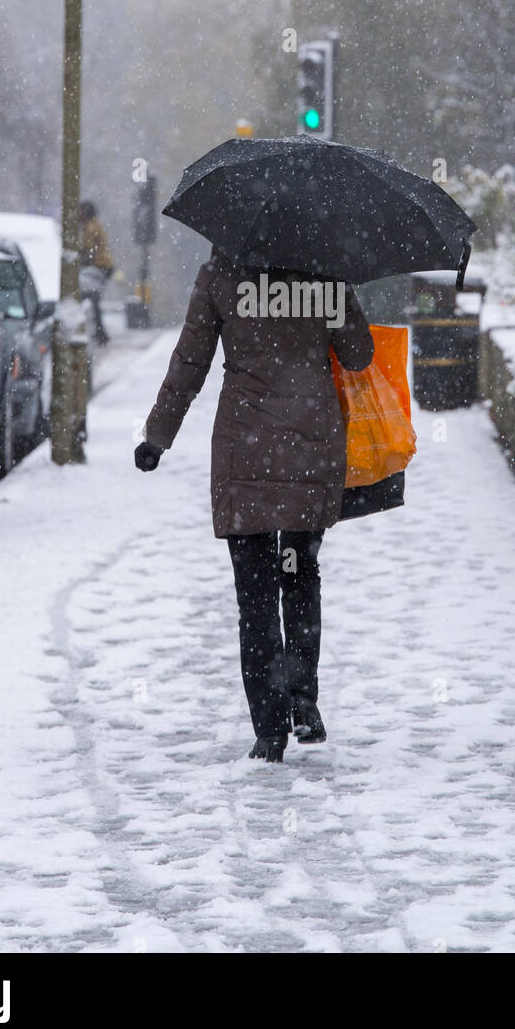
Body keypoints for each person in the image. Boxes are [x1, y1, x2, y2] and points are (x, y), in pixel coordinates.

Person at [134, 246, 373, 763]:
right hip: (311, 445)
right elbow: (359, 355)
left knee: (256, 596)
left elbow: (190, 362)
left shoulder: (221, 273)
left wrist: (158, 436)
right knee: (300, 574)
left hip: (247, 453)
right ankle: (303, 699)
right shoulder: (322, 269)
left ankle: (269, 728)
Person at [79, 200, 114, 346]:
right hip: (103, 267)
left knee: (92, 299)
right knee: (94, 301)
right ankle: (100, 333)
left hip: (98, 267)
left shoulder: (90, 227)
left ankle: (100, 334)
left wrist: (78, 258)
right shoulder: (95, 225)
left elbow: (88, 250)